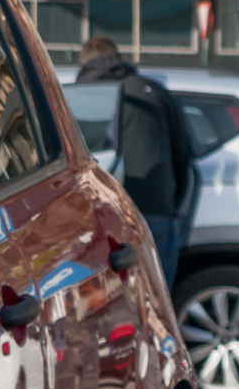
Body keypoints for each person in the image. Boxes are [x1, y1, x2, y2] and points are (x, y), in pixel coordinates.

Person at [74, 35, 198, 284]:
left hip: (94, 215)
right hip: (154, 208)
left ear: (83, 63)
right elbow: (183, 153)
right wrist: (170, 204)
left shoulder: (72, 98)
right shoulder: (152, 91)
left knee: (100, 305)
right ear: (119, 57)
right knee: (156, 294)